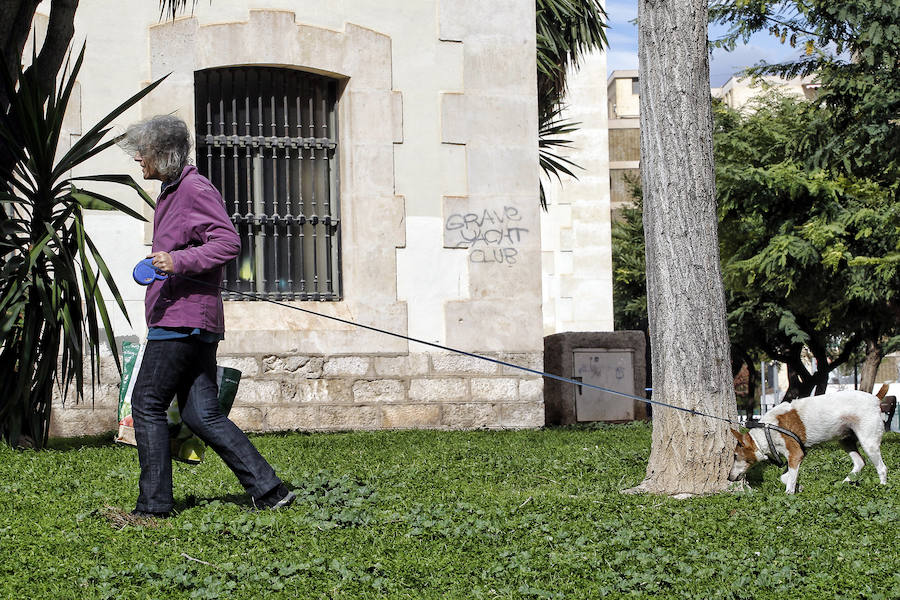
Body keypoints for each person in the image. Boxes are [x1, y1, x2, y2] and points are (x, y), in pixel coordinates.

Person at [119, 115, 294, 518]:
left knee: (147, 403)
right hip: (190, 316)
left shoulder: (193, 188)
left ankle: (154, 507)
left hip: (182, 318)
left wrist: (176, 260)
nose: (139, 160)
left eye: (142, 153)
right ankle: (270, 491)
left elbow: (228, 242)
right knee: (201, 413)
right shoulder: (172, 190)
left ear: (163, 153)